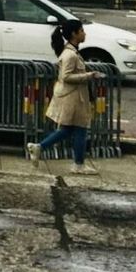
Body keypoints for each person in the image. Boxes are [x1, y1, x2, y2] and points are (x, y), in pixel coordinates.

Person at [26, 18, 104, 175]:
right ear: (74, 34)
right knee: (81, 129)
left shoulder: (71, 52)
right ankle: (78, 165)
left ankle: (39, 147)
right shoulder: (70, 55)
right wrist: (90, 75)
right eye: (81, 31)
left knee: (67, 129)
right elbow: (66, 77)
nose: (84, 33)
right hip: (74, 98)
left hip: (74, 97)